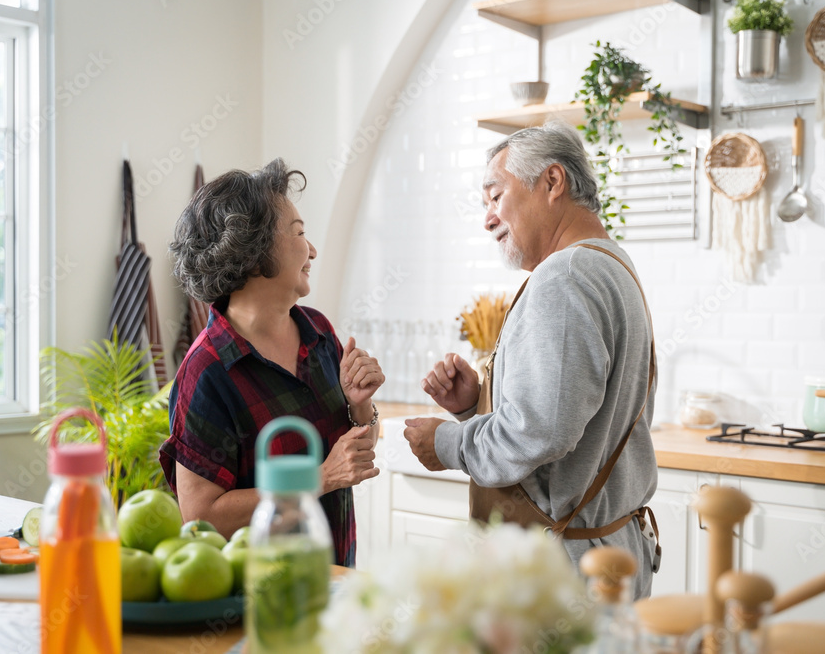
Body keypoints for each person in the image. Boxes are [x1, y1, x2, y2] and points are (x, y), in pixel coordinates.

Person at [403, 122, 659, 596]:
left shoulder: (565, 276)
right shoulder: (611, 266)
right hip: (608, 555)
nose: (486, 219)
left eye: (495, 196)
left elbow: (539, 432)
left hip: (564, 571)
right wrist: (475, 403)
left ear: (552, 182)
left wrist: (448, 442)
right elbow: (571, 422)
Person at [160, 158, 383, 567]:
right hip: (259, 596)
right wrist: (319, 477)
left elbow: (356, 451)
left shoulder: (318, 331)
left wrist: (360, 406)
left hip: (332, 578)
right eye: (299, 234)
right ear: (253, 250)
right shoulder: (207, 371)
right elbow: (200, 516)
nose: (312, 249)